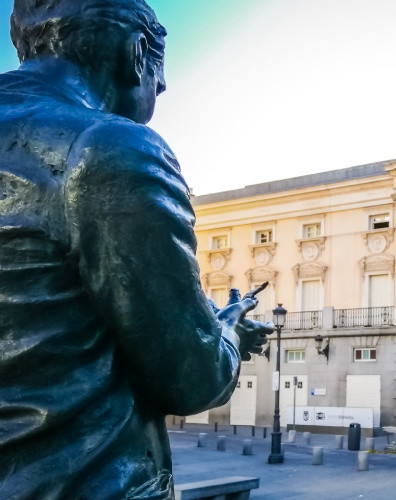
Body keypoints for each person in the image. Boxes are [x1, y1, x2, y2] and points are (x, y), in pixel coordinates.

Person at [0, 1, 271, 498]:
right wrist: (228, 330)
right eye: (160, 72)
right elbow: (192, 377)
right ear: (136, 52)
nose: (162, 87)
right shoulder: (109, 147)